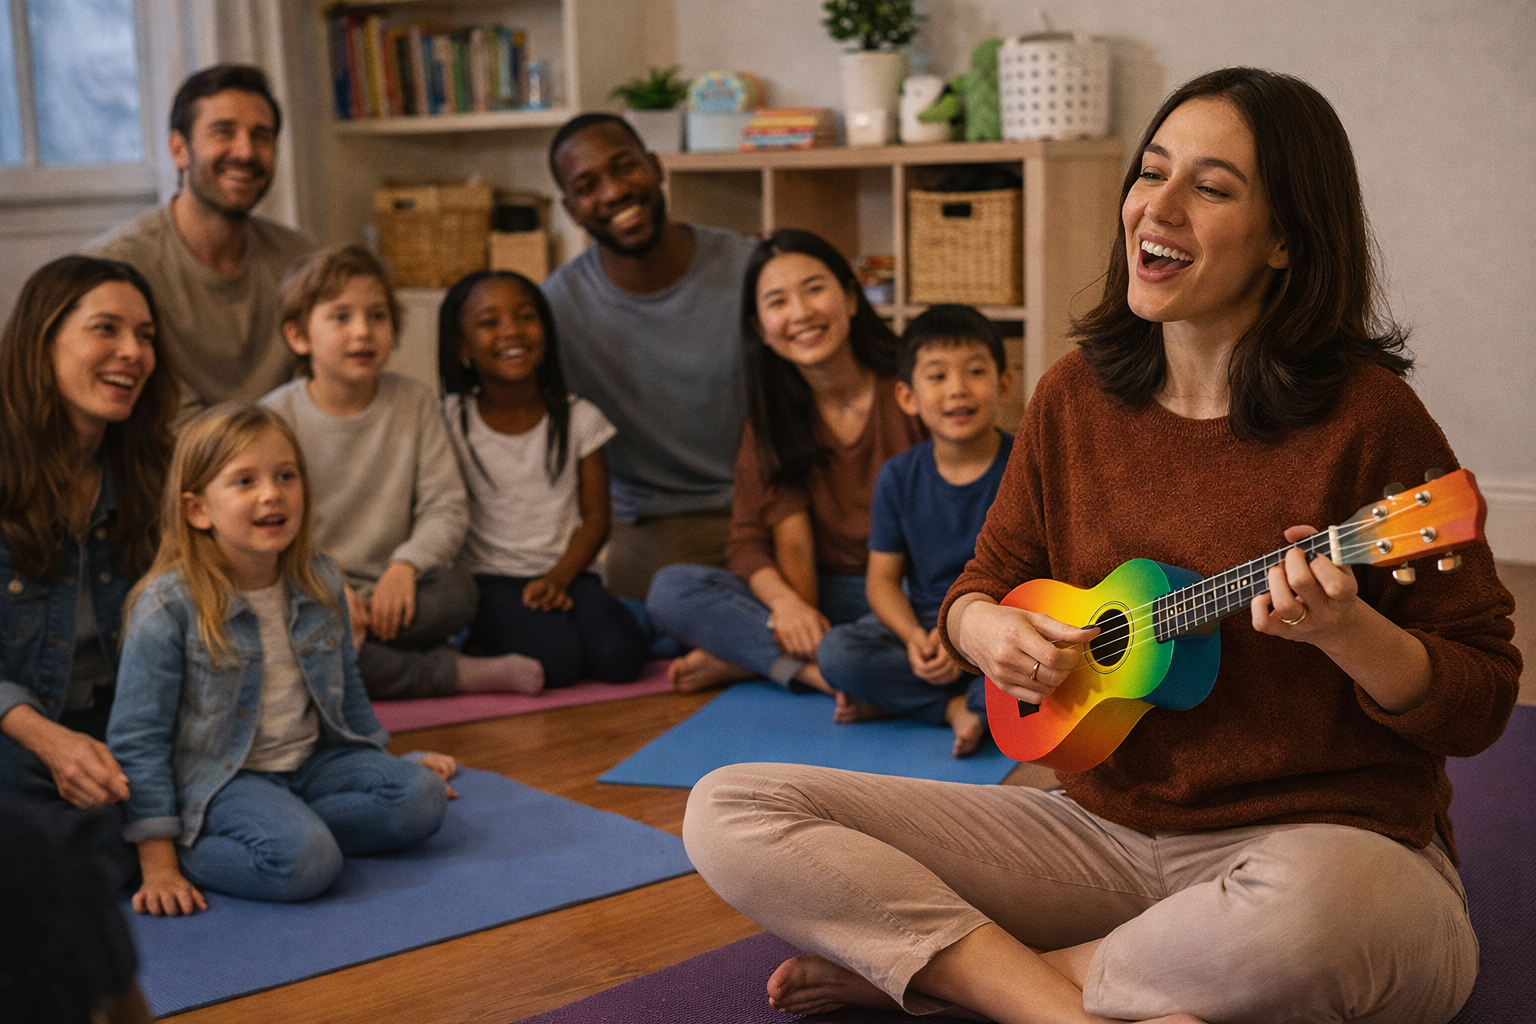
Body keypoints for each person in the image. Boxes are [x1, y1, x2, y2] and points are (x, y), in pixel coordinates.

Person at [683, 68, 1521, 1024]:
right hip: (1098, 838)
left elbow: (1482, 697)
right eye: (1149, 173)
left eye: (1210, 188)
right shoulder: (1074, 395)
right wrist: (984, 630)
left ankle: (977, 979)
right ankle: (1072, 994)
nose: (1155, 209)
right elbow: (979, 583)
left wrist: (1347, 633)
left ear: (1286, 238)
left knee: (1331, 920)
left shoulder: (1372, 419)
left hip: (1324, 850)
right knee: (732, 807)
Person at [109, 405, 458, 912]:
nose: (271, 493)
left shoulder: (321, 581)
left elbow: (348, 687)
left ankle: (295, 821)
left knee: (421, 798)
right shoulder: (168, 605)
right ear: (197, 510)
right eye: (244, 481)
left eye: (285, 476)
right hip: (225, 780)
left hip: (315, 763)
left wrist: (378, 762)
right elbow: (138, 739)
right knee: (306, 863)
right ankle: (205, 848)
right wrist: (158, 864)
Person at [648, 230, 925, 696]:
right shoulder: (771, 421)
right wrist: (787, 606)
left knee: (943, 620)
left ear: (851, 298)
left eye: (814, 289)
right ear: (761, 329)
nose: (800, 314)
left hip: (903, 594)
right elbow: (746, 543)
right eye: (777, 301)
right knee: (671, 590)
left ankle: (756, 660)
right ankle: (816, 672)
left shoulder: (911, 390)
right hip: (821, 599)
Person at [262, 245, 542, 699]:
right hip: (313, 591)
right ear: (298, 336)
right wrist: (328, 587)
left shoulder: (413, 403)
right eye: (340, 317)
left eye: (377, 316)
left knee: (458, 593)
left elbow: (446, 506)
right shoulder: (276, 419)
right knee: (291, 627)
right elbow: (270, 529)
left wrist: (405, 565)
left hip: (400, 591)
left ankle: (355, 660)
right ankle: (448, 673)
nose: (363, 332)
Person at [543, 113, 757, 600]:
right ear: (572, 209)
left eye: (625, 166)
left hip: (767, 510)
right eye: (588, 185)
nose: (614, 191)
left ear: (657, 167)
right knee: (662, 632)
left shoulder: (747, 268)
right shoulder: (557, 308)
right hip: (653, 522)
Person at [0, 256, 175, 826]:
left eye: (145, 336)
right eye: (107, 328)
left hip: (118, 717)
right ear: (42, 339)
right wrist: (50, 742)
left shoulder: (152, 467)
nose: (133, 352)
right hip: (20, 728)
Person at [818, 305, 1013, 757]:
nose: (958, 390)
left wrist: (968, 639)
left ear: (1004, 383)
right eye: (938, 376)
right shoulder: (898, 476)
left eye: (976, 371)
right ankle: (952, 708)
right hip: (926, 624)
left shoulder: (1024, 464)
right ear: (907, 397)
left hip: (997, 625)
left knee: (1049, 665)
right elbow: (882, 582)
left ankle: (923, 703)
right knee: (837, 653)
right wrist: (915, 639)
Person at [438, 270, 647, 688]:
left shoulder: (580, 418)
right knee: (557, 661)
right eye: (489, 322)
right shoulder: (448, 419)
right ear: (462, 346)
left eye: (525, 316)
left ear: (546, 330)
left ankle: (633, 622)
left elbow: (595, 517)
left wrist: (560, 577)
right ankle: (478, 638)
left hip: (569, 572)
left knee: (622, 659)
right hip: (491, 581)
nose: (511, 331)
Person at [87, 64, 312, 423]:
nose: (245, 152)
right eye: (223, 132)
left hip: (283, 464)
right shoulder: (116, 267)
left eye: (262, 136)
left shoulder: (302, 262)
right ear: (179, 149)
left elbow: (323, 395)